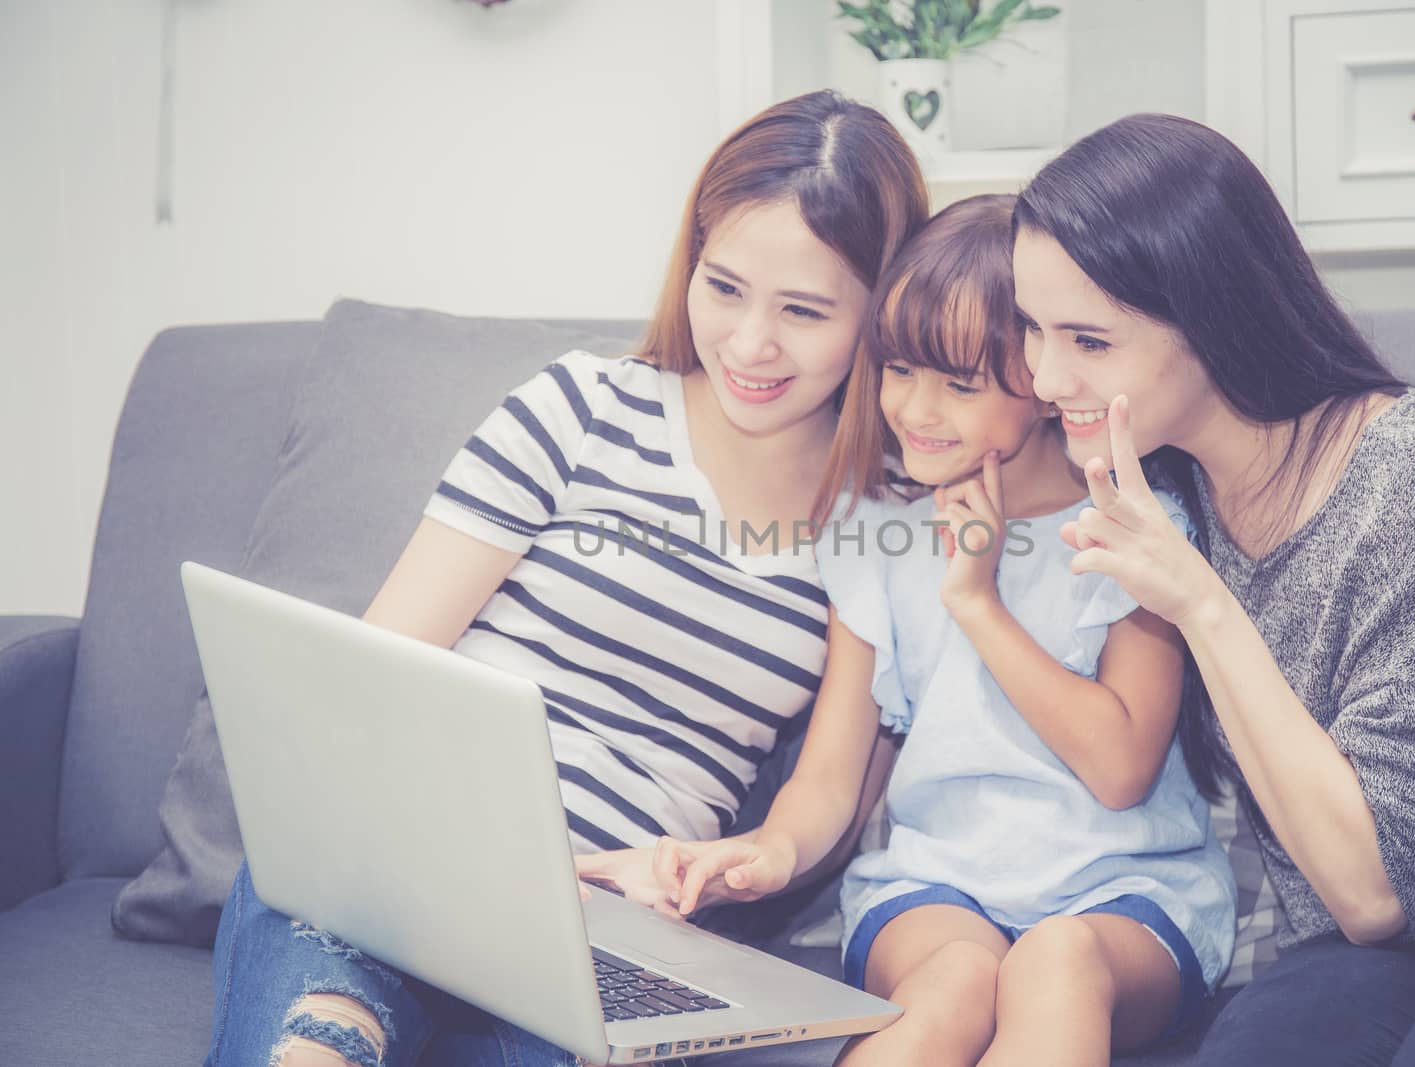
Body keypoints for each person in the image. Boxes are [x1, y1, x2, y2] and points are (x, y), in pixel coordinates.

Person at [203, 90, 927, 1067]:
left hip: (606, 929)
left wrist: (757, 857)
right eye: (724, 287)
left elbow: (827, 785)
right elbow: (376, 669)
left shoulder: (875, 519)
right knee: (321, 1024)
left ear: (880, 313)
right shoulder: (580, 406)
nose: (752, 343)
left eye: (803, 311)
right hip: (412, 854)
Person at [1012, 112, 1415, 1066]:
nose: (1043, 375)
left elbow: (1378, 887)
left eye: (1086, 338)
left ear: (1212, 315)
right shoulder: (1162, 479)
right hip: (1355, 932)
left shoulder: (1412, 474)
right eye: (1031, 328)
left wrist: (1203, 604)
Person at [650, 195, 1236, 1067]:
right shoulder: (876, 537)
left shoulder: (1134, 524)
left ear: (1043, 383)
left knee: (1056, 960)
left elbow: (1121, 769)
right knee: (960, 977)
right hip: (935, 889)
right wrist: (768, 849)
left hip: (1128, 894)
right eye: (899, 370)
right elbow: (831, 779)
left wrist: (977, 600)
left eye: (960, 385)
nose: (916, 411)